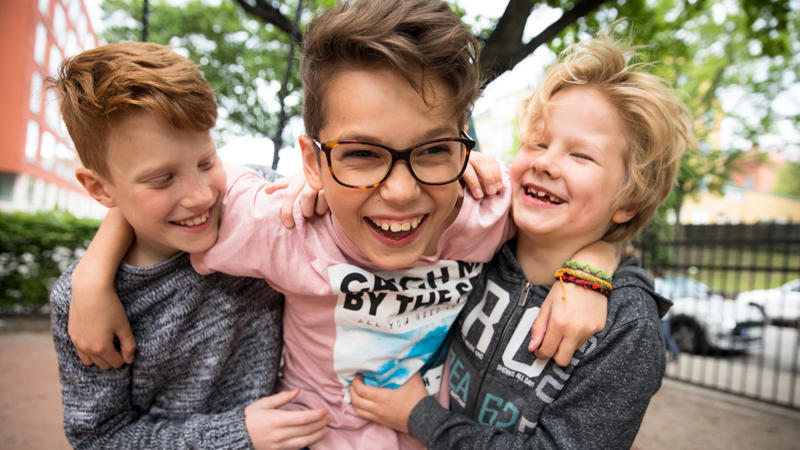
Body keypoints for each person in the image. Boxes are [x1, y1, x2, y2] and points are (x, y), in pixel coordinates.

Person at [67, 1, 620, 449]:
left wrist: (594, 265)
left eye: (432, 149)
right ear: (312, 162)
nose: (400, 192)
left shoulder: (484, 205)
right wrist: (92, 277)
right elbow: (167, 194)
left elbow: (583, 210)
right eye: (360, 154)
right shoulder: (279, 223)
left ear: (463, 150)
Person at [349, 34, 696, 450]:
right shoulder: (481, 242)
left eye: (581, 156)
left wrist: (420, 417)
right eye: (538, 142)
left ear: (629, 202)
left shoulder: (627, 327)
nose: (545, 162)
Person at [46, 42, 332, 450]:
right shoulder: (86, 302)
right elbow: (99, 437)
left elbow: (310, 194)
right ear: (99, 188)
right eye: (162, 179)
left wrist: (312, 180)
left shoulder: (253, 207)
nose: (200, 197)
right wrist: (236, 435)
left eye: (207, 162)